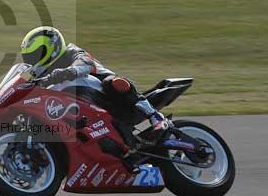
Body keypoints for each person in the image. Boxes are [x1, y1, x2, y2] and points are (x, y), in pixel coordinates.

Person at [20, 26, 171, 139]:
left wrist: (65, 72)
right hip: (85, 113)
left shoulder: (72, 52)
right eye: (30, 58)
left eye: (35, 55)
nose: (33, 61)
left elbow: (84, 64)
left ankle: (155, 116)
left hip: (108, 96)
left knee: (112, 83)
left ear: (52, 48)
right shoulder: (44, 78)